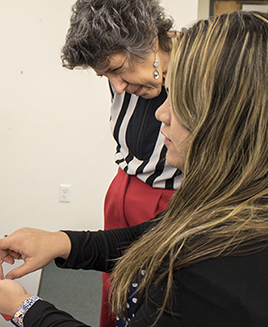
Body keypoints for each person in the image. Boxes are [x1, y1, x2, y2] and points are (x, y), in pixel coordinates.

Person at [0, 11, 268, 326]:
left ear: (226, 118)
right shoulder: (229, 203)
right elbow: (150, 237)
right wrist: (62, 243)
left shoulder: (220, 270)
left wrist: (23, 308)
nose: (161, 114)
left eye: (180, 98)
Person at [61, 1, 182, 325]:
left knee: (156, 297)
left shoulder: (201, 66)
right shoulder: (128, 75)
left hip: (172, 198)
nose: (117, 87)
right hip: (123, 186)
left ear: (148, 38)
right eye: (106, 76)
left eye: (116, 69)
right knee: (116, 286)